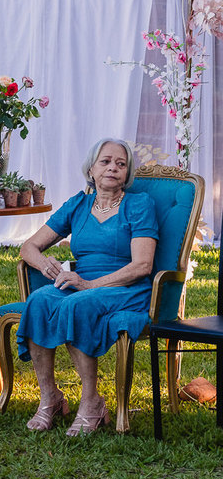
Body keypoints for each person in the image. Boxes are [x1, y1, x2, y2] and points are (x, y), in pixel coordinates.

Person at [16, 138, 157, 436]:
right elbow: (28, 247)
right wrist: (46, 265)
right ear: (91, 169)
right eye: (105, 161)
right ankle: (50, 397)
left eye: (121, 164)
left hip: (125, 286)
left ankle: (91, 402)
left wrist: (89, 284)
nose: (113, 168)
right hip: (82, 282)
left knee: (76, 303)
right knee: (39, 300)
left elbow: (142, 265)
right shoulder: (78, 204)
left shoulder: (139, 204)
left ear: (127, 173)